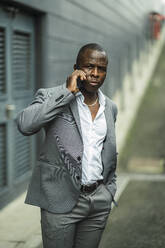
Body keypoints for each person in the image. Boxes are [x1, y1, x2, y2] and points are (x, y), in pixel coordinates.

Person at [16, 43, 118, 248]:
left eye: (102, 69)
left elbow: (105, 151)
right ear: (76, 68)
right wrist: (67, 93)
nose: (96, 73)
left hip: (98, 201)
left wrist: (109, 190)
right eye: (89, 66)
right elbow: (25, 125)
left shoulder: (110, 107)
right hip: (60, 202)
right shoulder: (51, 96)